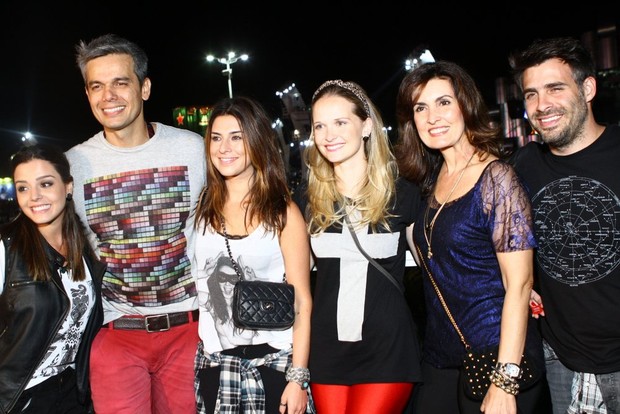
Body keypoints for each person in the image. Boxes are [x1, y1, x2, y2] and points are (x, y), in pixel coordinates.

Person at [65, 34, 206, 414]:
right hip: (116, 334)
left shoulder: (193, 149)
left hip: (188, 329)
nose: (108, 95)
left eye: (120, 82)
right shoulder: (74, 165)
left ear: (144, 88)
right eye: (97, 86)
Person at [394, 61, 546, 414]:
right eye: (421, 107)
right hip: (440, 352)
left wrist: (505, 381)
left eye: (444, 102)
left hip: (497, 351)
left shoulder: (496, 179)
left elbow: (520, 285)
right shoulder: (428, 184)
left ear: (466, 106)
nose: (433, 117)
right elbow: (432, 256)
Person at [294, 79, 422, 414]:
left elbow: (437, 266)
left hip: (388, 349)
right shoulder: (306, 200)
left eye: (340, 122)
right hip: (327, 350)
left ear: (366, 126)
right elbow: (292, 279)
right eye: (320, 125)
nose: (328, 135)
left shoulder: (403, 194)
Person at [509, 37, 620, 414]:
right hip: (559, 354)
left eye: (555, 88)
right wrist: (524, 283)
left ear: (587, 88)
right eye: (531, 94)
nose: (542, 106)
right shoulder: (523, 165)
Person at [193, 96, 314, 414]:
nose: (224, 148)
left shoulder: (282, 212)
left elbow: (301, 300)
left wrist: (298, 378)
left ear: (257, 141)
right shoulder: (202, 209)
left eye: (237, 137)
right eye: (216, 138)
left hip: (273, 364)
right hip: (216, 365)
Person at [0, 143, 105, 413]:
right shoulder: (6, 248)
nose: (34, 196)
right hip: (19, 398)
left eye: (45, 184)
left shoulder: (84, 248)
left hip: (73, 393)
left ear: (68, 187)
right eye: (23, 187)